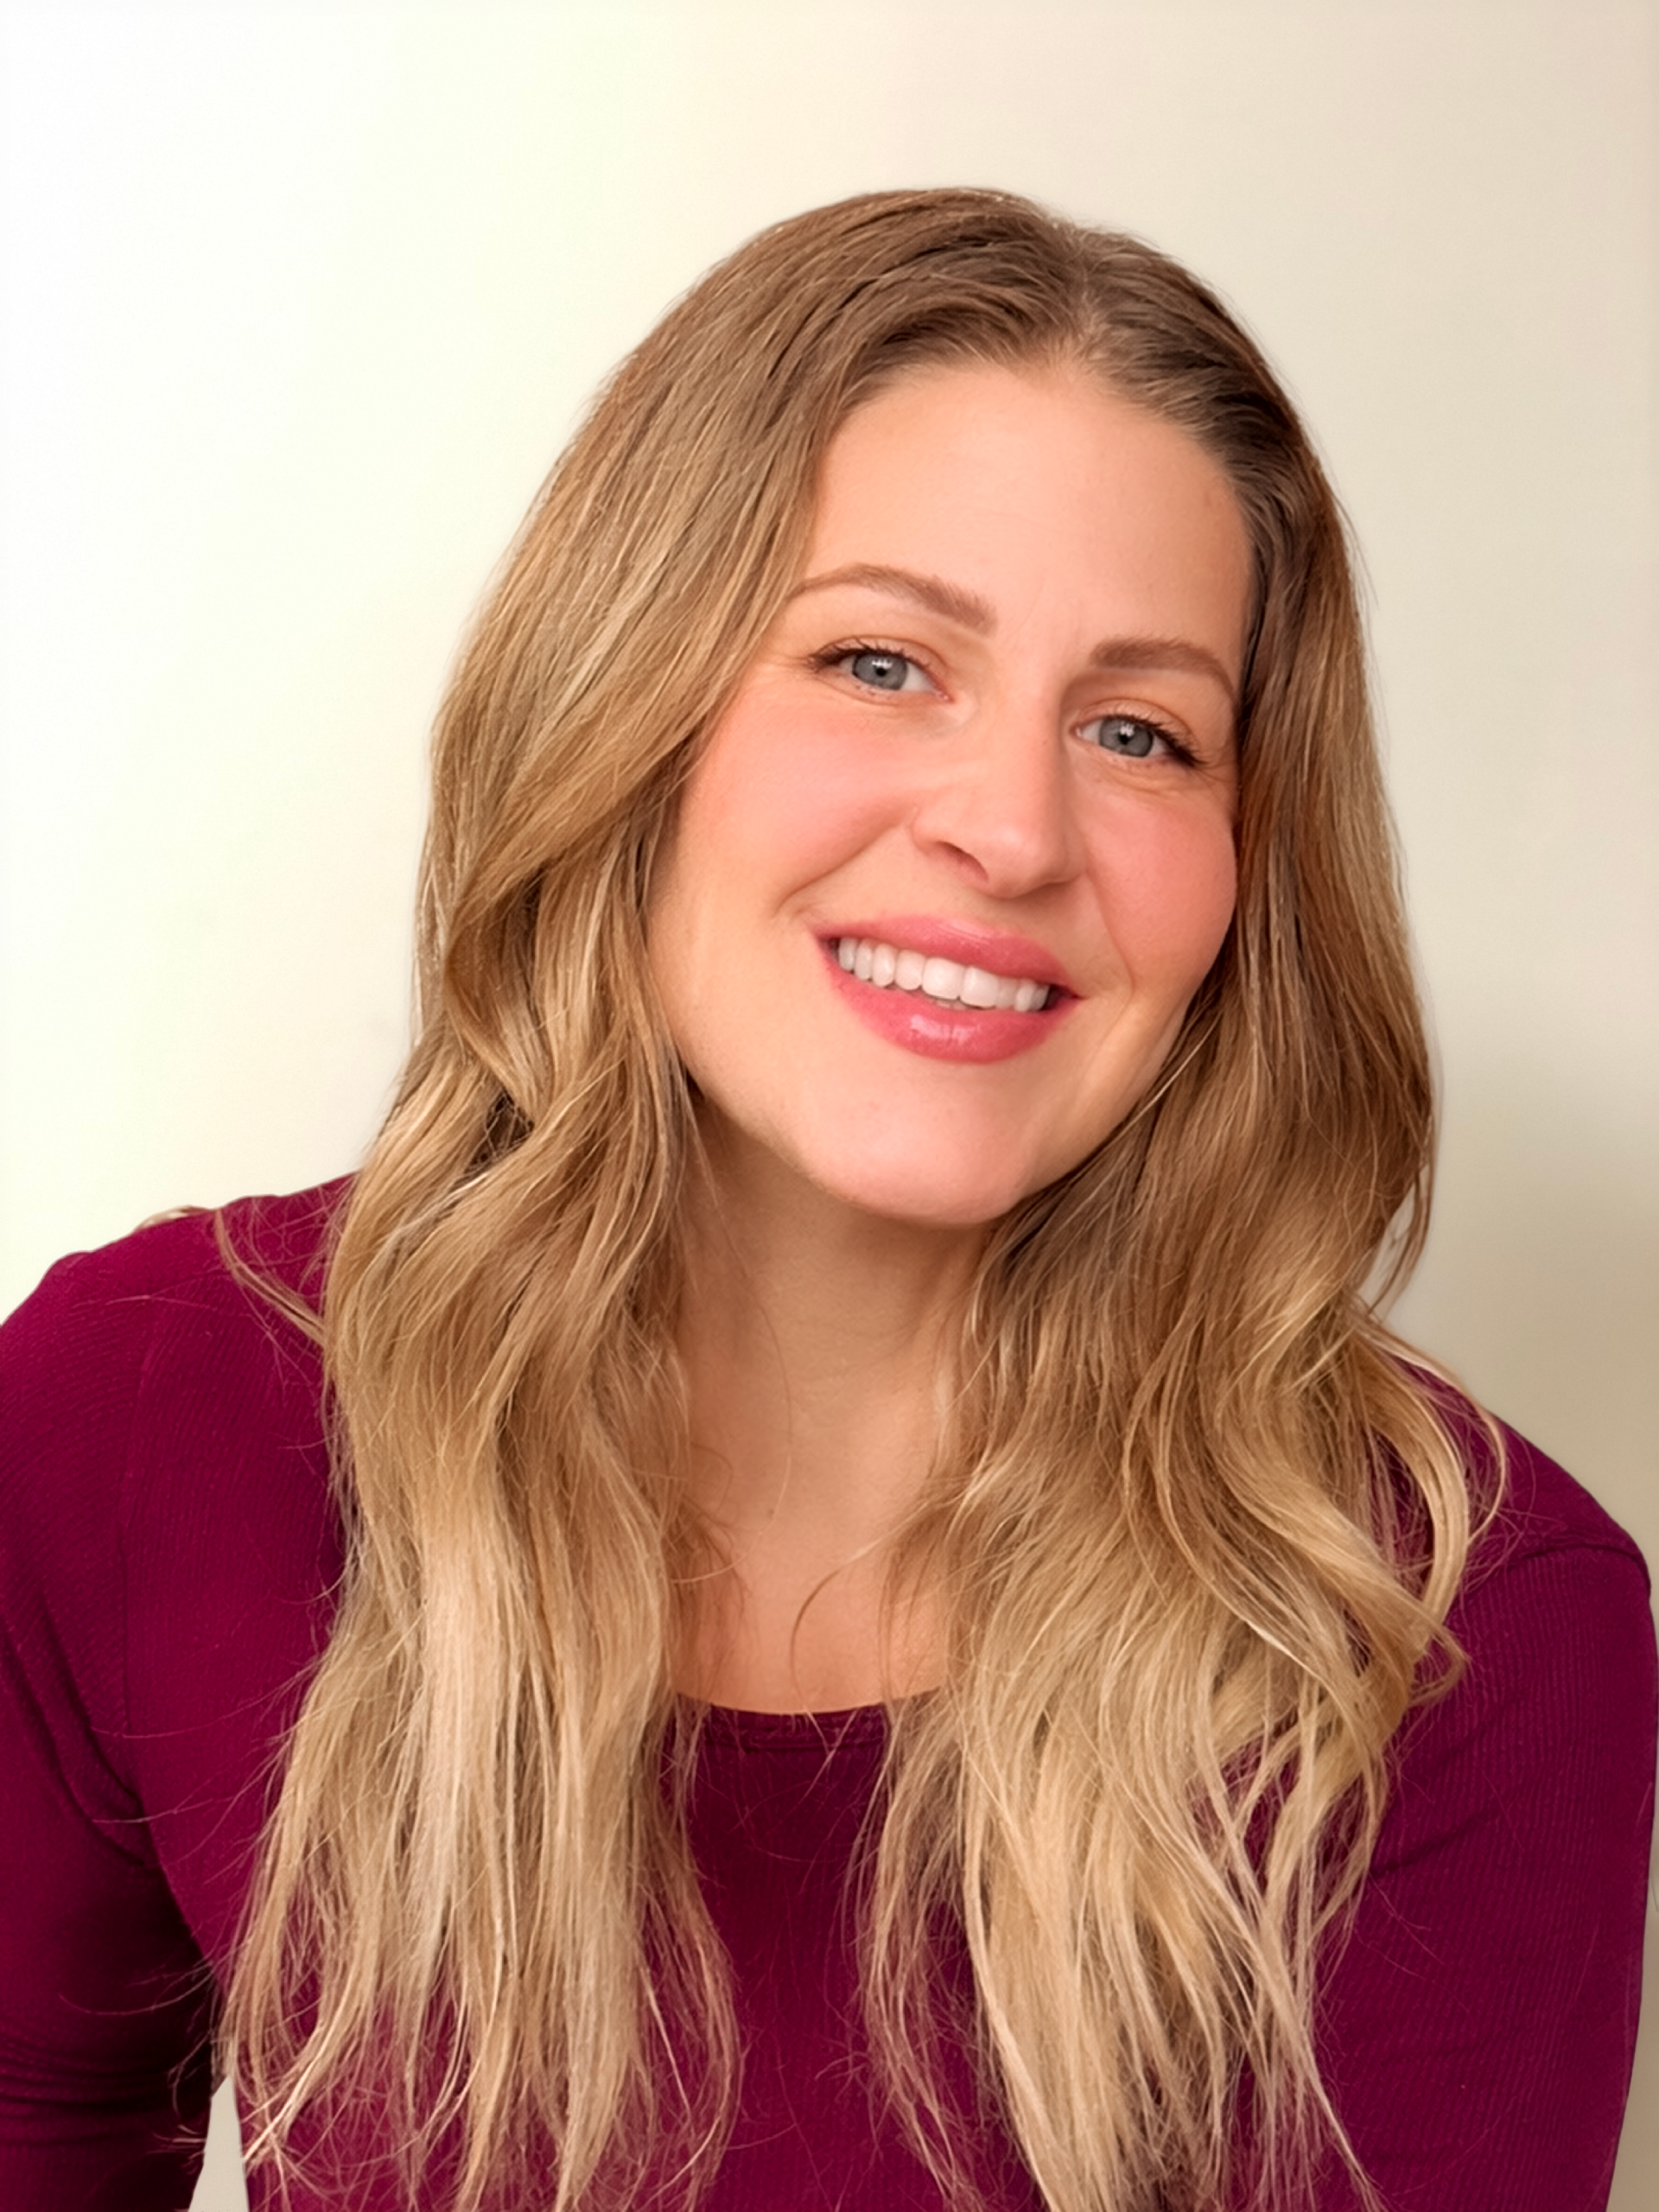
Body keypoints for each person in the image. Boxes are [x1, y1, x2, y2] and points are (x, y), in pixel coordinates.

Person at [0, 188, 1651, 2212]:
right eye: (881, 660)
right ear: (630, 708)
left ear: (1251, 870)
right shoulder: (147, 1413)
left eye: (1141, 728)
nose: (1014, 828)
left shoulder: (1462, 1629)